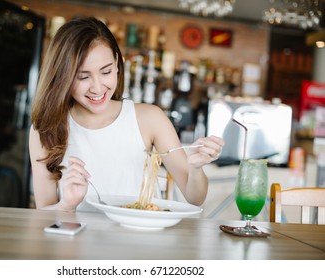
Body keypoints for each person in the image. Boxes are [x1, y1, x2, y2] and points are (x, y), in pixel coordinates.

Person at [29, 17, 224, 212]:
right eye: (83, 76)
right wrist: (67, 204)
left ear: (117, 64)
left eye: (106, 72)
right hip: (77, 240)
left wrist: (196, 168)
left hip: (142, 239)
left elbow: (195, 198)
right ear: (63, 76)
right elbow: (44, 214)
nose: (97, 87)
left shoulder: (150, 118)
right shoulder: (46, 129)